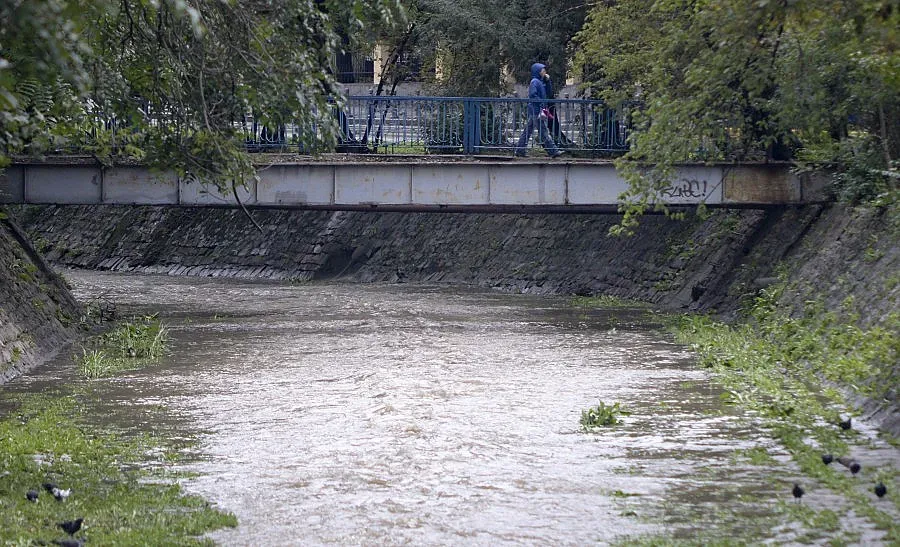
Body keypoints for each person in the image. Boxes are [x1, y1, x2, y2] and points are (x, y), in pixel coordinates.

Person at [515, 63, 563, 158]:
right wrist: (541, 103)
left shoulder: (541, 81)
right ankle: (553, 151)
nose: (544, 71)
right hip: (536, 109)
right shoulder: (534, 82)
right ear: (537, 71)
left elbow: (549, 92)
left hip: (539, 109)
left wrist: (548, 81)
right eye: (542, 70)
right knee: (543, 131)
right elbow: (533, 95)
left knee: (528, 131)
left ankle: (520, 150)